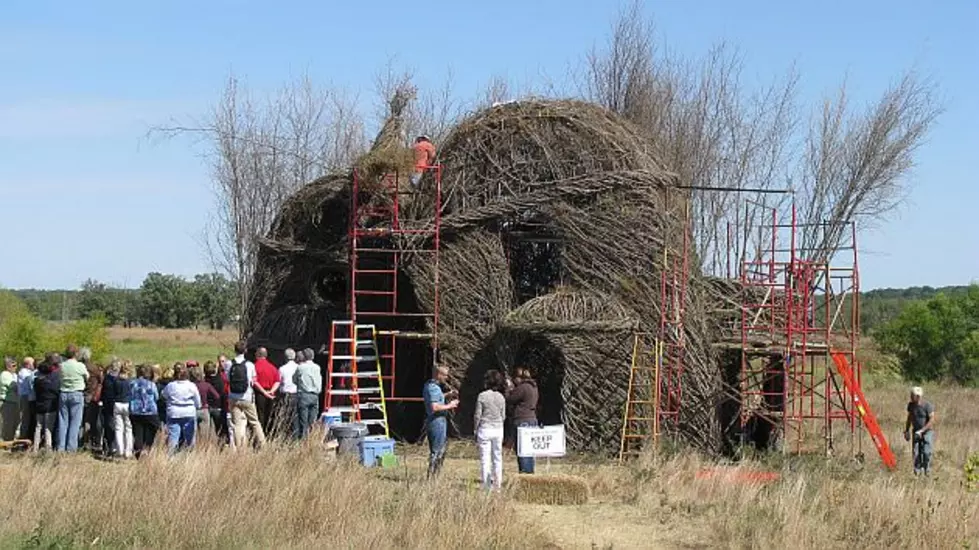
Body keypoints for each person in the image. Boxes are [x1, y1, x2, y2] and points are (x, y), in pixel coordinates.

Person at [226, 341, 266, 450]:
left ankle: (240, 448)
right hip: (247, 397)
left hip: (233, 397)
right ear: (246, 351)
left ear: (235, 350)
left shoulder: (229, 364)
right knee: (254, 422)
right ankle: (263, 444)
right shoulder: (250, 365)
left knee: (237, 424)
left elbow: (228, 379)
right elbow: (253, 381)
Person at [422, 365, 459, 478]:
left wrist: (447, 394)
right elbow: (435, 407)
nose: (447, 378)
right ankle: (432, 476)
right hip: (436, 421)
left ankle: (435, 475)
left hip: (439, 420)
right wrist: (450, 405)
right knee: (437, 450)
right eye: (445, 375)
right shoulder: (433, 388)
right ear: (438, 375)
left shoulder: (432, 387)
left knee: (440, 449)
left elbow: (436, 398)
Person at [474, 369, 507, 490]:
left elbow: (477, 415)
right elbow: (503, 415)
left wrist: (475, 429)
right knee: (497, 457)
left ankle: (487, 486)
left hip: (485, 428)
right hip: (498, 428)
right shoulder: (501, 397)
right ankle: (497, 485)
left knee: (485, 458)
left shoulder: (482, 396)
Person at [506, 366, 539, 474]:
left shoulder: (523, 387)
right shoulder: (533, 387)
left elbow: (510, 399)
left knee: (522, 449)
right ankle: (530, 471)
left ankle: (525, 473)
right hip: (532, 419)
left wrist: (509, 389)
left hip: (522, 420)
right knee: (529, 450)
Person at [163, 363, 202, 453]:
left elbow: (164, 395)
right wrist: (198, 406)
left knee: (173, 437)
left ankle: (171, 457)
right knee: (190, 437)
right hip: (188, 413)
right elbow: (197, 400)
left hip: (174, 413)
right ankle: (189, 455)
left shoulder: (171, 385)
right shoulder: (191, 385)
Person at [57, 345, 89, 452]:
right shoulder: (80, 366)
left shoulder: (61, 366)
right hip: (76, 393)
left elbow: (59, 377)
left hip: (64, 393)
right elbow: (86, 377)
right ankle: (71, 448)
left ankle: (61, 447)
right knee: (75, 422)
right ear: (76, 354)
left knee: (63, 421)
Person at [101, 359, 134, 458]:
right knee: (128, 428)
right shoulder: (130, 381)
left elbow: (113, 392)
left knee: (118, 428)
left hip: (117, 404)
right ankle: (128, 451)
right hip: (127, 404)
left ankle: (119, 449)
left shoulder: (116, 381)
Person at [130, 364, 161, 458]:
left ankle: (138, 451)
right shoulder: (151, 384)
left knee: (138, 431)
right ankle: (147, 447)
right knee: (152, 429)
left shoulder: (132, 383)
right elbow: (156, 397)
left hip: (136, 410)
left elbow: (130, 395)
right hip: (150, 411)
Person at [904, 386, 936, 476]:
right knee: (916, 452)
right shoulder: (911, 405)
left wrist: (922, 431)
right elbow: (909, 418)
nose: (911, 396)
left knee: (926, 452)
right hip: (916, 431)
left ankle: (927, 471)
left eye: (912, 395)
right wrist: (907, 430)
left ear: (918, 396)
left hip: (927, 432)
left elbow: (932, 420)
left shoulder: (927, 406)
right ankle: (917, 473)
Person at [294, 348, 323, 439]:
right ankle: (312, 439)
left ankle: (303, 440)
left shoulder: (300, 367)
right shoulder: (317, 367)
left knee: (303, 421)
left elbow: (294, 380)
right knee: (312, 421)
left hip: (304, 395)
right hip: (315, 395)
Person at [33, 358, 60, 451]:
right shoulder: (50, 382)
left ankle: (35, 448)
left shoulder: (36, 381)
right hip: (49, 407)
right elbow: (56, 391)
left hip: (39, 406)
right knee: (48, 428)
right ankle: (48, 448)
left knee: (38, 427)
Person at [253, 348, 280, 437]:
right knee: (269, 415)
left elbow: (254, 381)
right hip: (271, 394)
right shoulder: (273, 367)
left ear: (257, 355)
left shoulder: (255, 367)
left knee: (260, 416)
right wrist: (271, 391)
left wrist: (264, 392)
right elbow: (277, 381)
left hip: (259, 393)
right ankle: (269, 435)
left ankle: (260, 436)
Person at [189, 364, 220, 436]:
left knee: (194, 434)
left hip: (193, 410)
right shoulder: (206, 385)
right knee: (205, 435)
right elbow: (217, 396)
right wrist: (208, 402)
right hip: (204, 409)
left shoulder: (190, 385)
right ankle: (204, 446)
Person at [276, 348, 299, 439]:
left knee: (284, 418)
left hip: (285, 395)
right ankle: (295, 437)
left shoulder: (282, 369)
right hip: (296, 394)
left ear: (285, 357)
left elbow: (279, 382)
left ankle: (284, 437)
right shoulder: (298, 367)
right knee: (295, 418)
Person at [203, 361, 228, 440]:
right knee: (220, 429)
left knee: (207, 431)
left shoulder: (205, 381)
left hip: (207, 408)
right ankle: (222, 445)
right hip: (218, 407)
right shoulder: (220, 380)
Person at [0, 357, 20, 441]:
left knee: (15, 424)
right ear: (8, 366)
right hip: (7, 403)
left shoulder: (14, 375)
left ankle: (11, 442)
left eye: (16, 365)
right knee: (7, 425)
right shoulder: (5, 374)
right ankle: (5, 444)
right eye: (13, 365)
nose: (16, 367)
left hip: (15, 402)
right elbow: (14, 386)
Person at [17, 357, 36, 442]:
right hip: (25, 397)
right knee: (26, 418)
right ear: (28, 364)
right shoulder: (24, 372)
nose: (33, 365)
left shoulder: (28, 372)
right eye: (32, 363)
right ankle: (23, 437)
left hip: (27, 396)